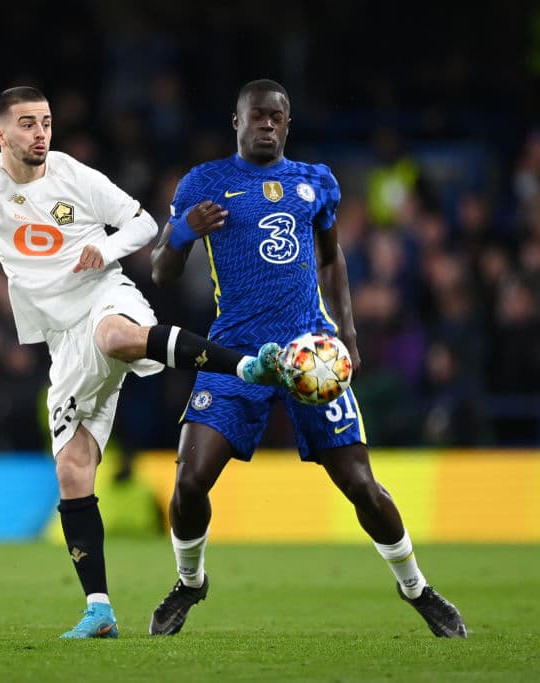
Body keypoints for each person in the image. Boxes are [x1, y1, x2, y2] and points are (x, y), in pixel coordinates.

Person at [0, 86, 284, 639]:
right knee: (72, 468)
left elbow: (143, 223)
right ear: (0, 134)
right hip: (61, 338)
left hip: (104, 296)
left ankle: (246, 366)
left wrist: (104, 250)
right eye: (28, 124)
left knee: (115, 336)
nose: (41, 133)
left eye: (46, 122)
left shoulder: (71, 174)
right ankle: (99, 609)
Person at [148, 79, 467, 638]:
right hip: (233, 353)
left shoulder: (315, 181)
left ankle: (416, 587)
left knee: (362, 486)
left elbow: (331, 258)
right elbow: (160, 272)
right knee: (190, 480)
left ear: (288, 124)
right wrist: (180, 235)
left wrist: (348, 334)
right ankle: (190, 582)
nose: (267, 124)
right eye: (257, 115)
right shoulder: (205, 182)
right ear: (237, 121)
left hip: (310, 352)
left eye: (276, 116)